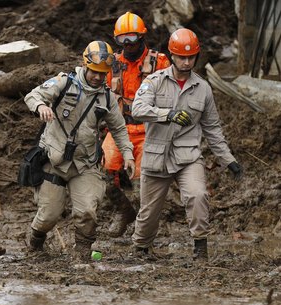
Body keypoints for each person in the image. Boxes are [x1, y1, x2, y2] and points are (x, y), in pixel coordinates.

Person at [131, 28, 243, 261]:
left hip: (188, 156)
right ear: (172, 55)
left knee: (197, 195)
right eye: (182, 57)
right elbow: (137, 110)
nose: (186, 61)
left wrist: (228, 160)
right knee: (149, 210)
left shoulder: (203, 89)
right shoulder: (154, 82)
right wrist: (167, 114)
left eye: (191, 57)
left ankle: (200, 248)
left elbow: (213, 129)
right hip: (156, 155)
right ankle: (141, 248)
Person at [24, 40, 135, 260]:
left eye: (102, 73)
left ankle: (83, 253)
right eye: (94, 71)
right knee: (48, 215)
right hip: (54, 161)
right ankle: (35, 244)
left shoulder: (107, 98)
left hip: (85, 163)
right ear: (85, 65)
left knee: (87, 211)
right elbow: (32, 96)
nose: (97, 77)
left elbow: (119, 129)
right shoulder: (64, 83)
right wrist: (41, 106)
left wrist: (128, 155)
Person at [102, 11, 170, 238]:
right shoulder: (112, 65)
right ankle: (123, 211)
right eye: (122, 39)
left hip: (149, 130)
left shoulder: (159, 62)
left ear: (142, 37)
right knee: (103, 173)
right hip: (119, 128)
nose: (128, 44)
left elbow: (171, 96)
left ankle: (145, 230)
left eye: (131, 38)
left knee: (145, 184)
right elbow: (101, 97)